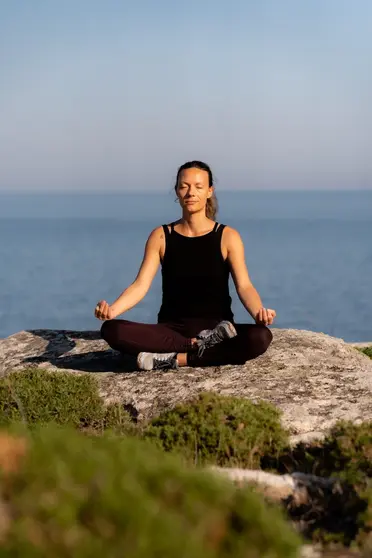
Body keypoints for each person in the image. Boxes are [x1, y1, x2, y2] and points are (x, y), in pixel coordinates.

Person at [95, 160, 276, 371]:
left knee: (261, 337)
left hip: (218, 329)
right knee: (112, 330)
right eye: (184, 186)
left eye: (199, 187)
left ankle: (176, 359)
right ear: (177, 191)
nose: (191, 192)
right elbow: (141, 285)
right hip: (172, 331)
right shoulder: (161, 236)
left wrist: (258, 313)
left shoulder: (228, 237)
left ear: (209, 191)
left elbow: (244, 286)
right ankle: (195, 347)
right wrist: (112, 310)